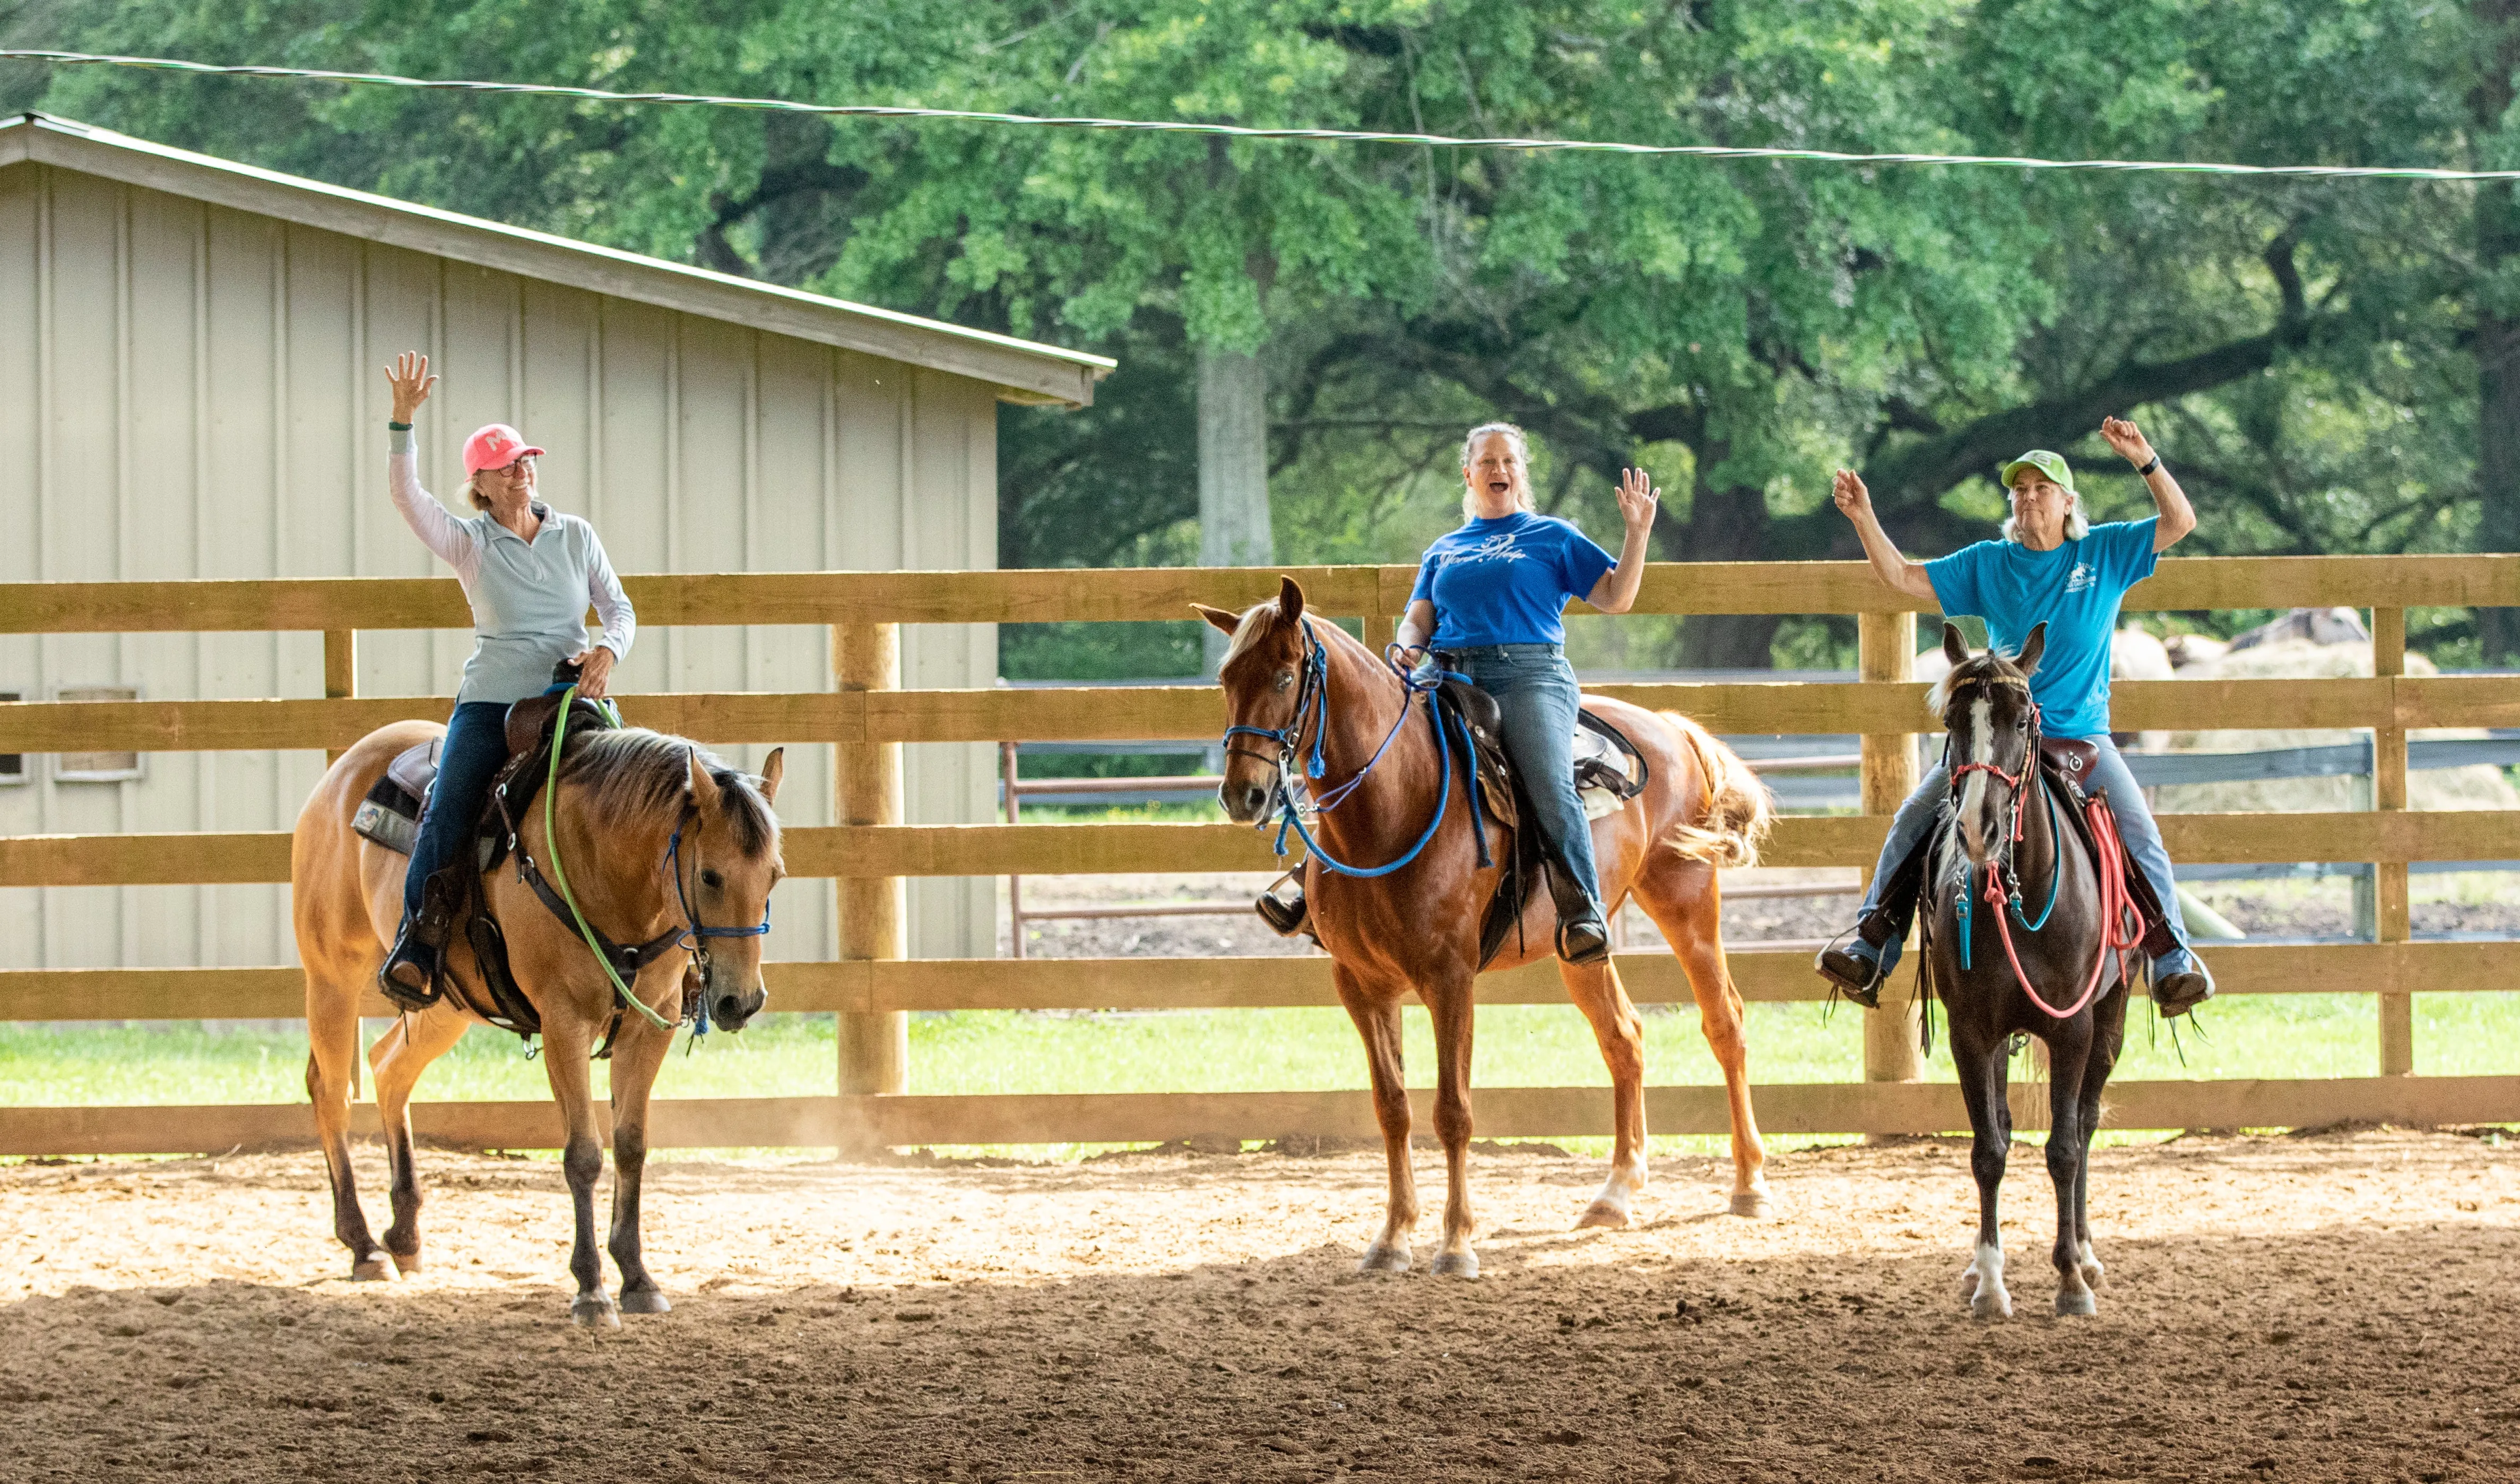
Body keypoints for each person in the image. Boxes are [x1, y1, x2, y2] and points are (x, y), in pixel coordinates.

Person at [1815, 417, 2214, 1016]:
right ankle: (1872, 943)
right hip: (1998, 741)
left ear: (2067, 503)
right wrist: (1863, 517)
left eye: (2041, 489)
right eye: (2019, 491)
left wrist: (2145, 459)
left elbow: (2180, 523)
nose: (2028, 499)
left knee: (2141, 836)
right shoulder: (1988, 563)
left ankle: (2171, 958)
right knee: (1914, 817)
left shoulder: (2103, 552)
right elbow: (1900, 576)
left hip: (2080, 738)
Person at [1263, 422, 1660, 964]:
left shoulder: (1553, 537)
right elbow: (1419, 618)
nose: (1499, 471)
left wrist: (1636, 535)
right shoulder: (1445, 548)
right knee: (1374, 758)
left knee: (1545, 776)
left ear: (1521, 474)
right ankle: (1312, 885)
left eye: (1509, 463)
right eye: (1488, 462)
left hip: (1529, 676)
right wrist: (1406, 647)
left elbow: (1616, 597)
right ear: (1468, 473)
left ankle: (1582, 909)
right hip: (1447, 674)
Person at [375, 351, 636, 1007]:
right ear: (481, 486)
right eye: (508, 466)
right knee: (449, 806)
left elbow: (619, 609)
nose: (524, 471)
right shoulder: (469, 542)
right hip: (492, 702)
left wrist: (609, 652)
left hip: (570, 699)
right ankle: (421, 940)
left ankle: (669, 952)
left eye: (528, 461)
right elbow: (407, 497)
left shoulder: (576, 535)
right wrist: (402, 423)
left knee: (642, 797)